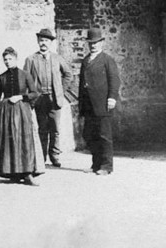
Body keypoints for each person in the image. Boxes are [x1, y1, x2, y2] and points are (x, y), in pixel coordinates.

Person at [23, 27, 76, 168]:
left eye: (46, 40)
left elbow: (68, 74)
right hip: (39, 99)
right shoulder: (30, 59)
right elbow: (25, 80)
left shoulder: (57, 58)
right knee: (42, 128)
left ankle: (55, 156)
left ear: (50, 42)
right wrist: (30, 96)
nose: (43, 43)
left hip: (54, 99)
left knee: (55, 128)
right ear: (38, 41)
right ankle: (41, 157)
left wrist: (61, 91)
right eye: (41, 40)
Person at [0, 47, 43, 185]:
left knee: (24, 140)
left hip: (22, 111)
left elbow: (35, 93)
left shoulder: (25, 75)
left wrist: (21, 97)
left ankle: (27, 173)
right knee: (9, 142)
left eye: (10, 59)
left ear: (16, 59)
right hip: (6, 112)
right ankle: (13, 173)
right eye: (5, 59)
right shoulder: (1, 77)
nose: (7, 62)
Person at [77, 27, 120, 176]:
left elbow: (114, 80)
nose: (93, 45)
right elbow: (82, 83)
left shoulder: (107, 60)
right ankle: (95, 164)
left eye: (96, 42)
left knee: (104, 135)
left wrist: (112, 98)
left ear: (101, 43)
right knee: (90, 135)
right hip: (89, 105)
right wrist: (80, 104)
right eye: (90, 43)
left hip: (103, 104)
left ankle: (106, 166)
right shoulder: (85, 61)